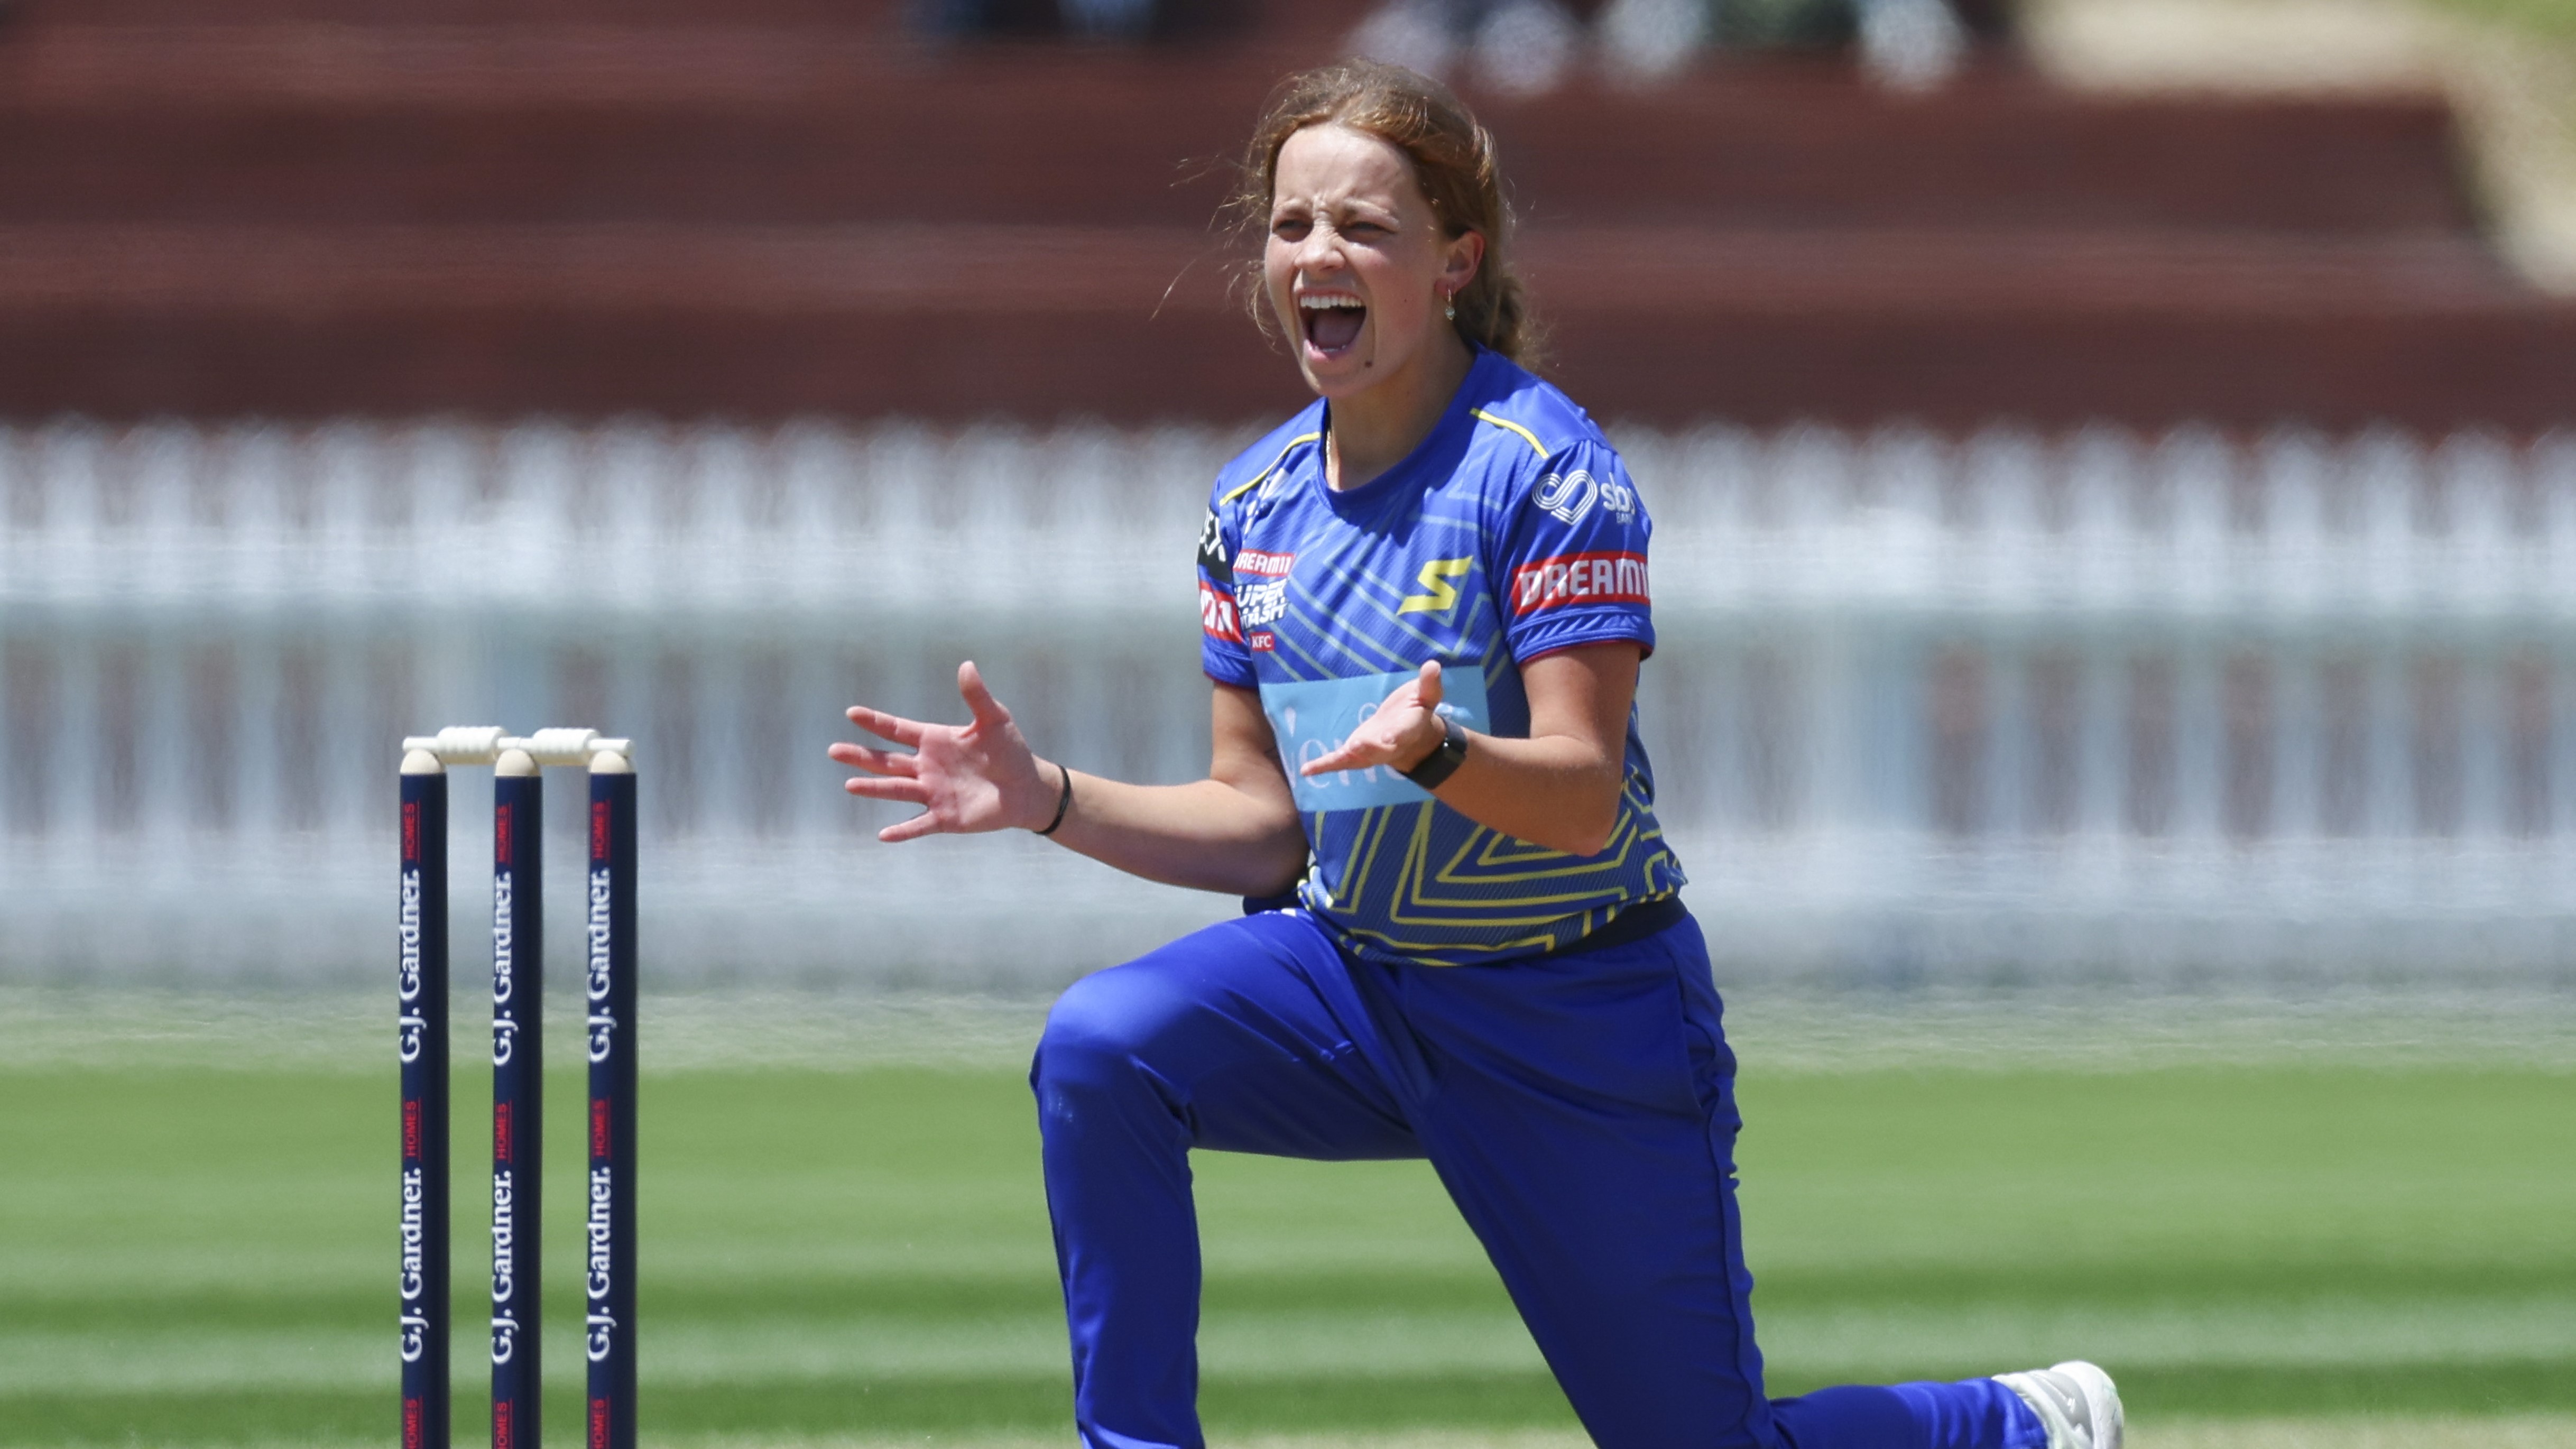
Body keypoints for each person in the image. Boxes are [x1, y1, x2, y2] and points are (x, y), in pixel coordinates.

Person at [830, 59, 2122, 1449]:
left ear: (1454, 261)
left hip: (1577, 1014)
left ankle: (2012, 1426)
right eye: (1290, 225)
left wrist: (1441, 755)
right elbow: (1260, 824)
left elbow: (1574, 797)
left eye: (1363, 228)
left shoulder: (1542, 471)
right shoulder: (1250, 504)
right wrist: (1048, 801)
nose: (1317, 254)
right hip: (1356, 985)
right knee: (1103, 1047)